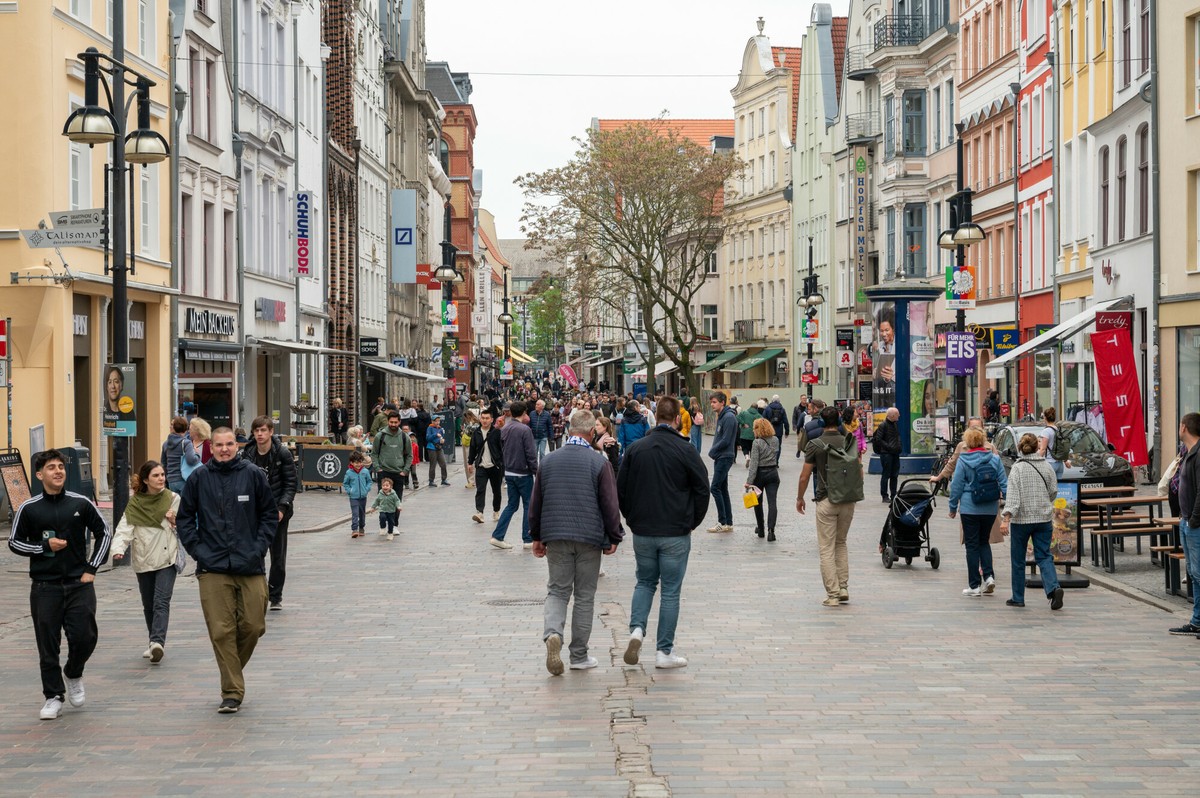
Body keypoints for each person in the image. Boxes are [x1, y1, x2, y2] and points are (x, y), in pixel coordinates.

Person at [177, 427, 278, 714]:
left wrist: (258, 547)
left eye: (229, 444)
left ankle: (231, 669)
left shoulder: (253, 474)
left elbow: (269, 515)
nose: (224, 449)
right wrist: (199, 551)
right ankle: (231, 691)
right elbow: (185, 519)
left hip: (250, 563)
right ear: (211, 446)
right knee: (222, 631)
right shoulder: (199, 478)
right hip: (213, 566)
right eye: (219, 445)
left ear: (237, 445)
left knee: (254, 625)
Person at [8, 449, 111, 720]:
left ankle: (73, 672)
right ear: (40, 475)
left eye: (61, 467)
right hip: (45, 586)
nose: (58, 471)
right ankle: (53, 696)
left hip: (79, 583)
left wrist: (91, 568)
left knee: (85, 636)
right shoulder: (29, 508)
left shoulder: (80, 503)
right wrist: (44, 546)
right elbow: (14, 543)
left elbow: (104, 532)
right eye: (51, 468)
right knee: (47, 644)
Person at [617, 397, 710, 669]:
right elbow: (703, 488)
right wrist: (692, 521)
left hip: (643, 529)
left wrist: (631, 517)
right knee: (670, 591)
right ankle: (664, 652)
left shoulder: (636, 449)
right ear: (678, 419)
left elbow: (621, 488)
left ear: (655, 416)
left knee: (644, 582)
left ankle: (636, 629)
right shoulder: (685, 449)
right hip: (675, 530)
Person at [531, 409, 624, 674]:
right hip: (589, 537)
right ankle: (579, 656)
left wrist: (536, 536)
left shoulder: (548, 461)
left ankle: (552, 634)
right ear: (591, 432)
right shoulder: (598, 462)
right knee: (584, 596)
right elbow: (609, 502)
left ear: (570, 430)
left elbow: (536, 502)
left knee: (558, 591)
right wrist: (614, 535)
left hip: (556, 534)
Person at [112, 460, 181, 664]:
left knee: (161, 601)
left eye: (162, 475)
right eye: (156, 476)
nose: (161, 479)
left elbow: (187, 523)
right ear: (145, 480)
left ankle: (158, 642)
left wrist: (175, 520)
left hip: (167, 558)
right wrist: (118, 549)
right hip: (143, 558)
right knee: (148, 603)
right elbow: (125, 528)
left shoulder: (173, 498)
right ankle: (153, 642)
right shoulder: (135, 503)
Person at [796, 406, 864, 606]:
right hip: (847, 500)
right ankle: (843, 587)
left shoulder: (815, 445)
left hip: (826, 500)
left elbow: (804, 476)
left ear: (822, 423)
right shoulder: (848, 441)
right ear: (840, 421)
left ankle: (833, 594)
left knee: (826, 548)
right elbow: (859, 471)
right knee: (841, 543)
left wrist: (800, 498)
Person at [999, 433, 1062, 609]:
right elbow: (1053, 491)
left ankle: (1018, 597)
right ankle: (1053, 588)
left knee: (1018, 559)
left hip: (1022, 521)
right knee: (1044, 556)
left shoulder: (1017, 469)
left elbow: (1013, 498)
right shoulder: (1047, 466)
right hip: (1043, 519)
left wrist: (1006, 519)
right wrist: (1043, 502)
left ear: (1020, 448)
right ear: (1037, 447)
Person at [241, 416, 297, 612]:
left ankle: (275, 595)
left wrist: (282, 508)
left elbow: (291, 484)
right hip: (253, 512)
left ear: (271, 432)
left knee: (278, 556)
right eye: (256, 431)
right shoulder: (247, 454)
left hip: (276, 512)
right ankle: (257, 593)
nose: (260, 434)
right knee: (255, 553)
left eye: (263, 430)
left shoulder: (282, 453)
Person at [948, 426, 1008, 598]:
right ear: (983, 441)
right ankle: (989, 577)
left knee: (972, 545)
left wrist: (952, 508)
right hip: (990, 507)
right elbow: (1004, 483)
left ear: (968, 442)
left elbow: (956, 486)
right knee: (984, 542)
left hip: (969, 507)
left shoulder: (963, 460)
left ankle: (974, 585)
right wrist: (1008, 508)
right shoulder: (994, 459)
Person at [490, 400, 538, 550]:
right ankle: (527, 538)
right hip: (523, 472)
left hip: (509, 471)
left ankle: (498, 535)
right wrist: (537, 471)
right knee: (528, 505)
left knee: (511, 505)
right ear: (524, 413)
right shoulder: (525, 430)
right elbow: (531, 453)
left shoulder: (505, 428)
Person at [1169, 413, 1200, 636]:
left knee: (1198, 573)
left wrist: (1194, 520)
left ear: (1184, 428)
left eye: (1180, 425)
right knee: (1193, 572)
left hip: (1194, 524)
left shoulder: (1198, 454)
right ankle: (1197, 620)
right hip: (1186, 520)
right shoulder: (1188, 453)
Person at [745, 417, 781, 541]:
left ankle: (761, 529)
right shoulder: (775, 440)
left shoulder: (757, 443)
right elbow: (775, 454)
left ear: (758, 429)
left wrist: (749, 481)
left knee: (758, 503)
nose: (753, 430)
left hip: (760, 474)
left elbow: (754, 464)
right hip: (773, 473)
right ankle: (771, 531)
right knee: (772, 502)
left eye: (754, 428)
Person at [930, 417, 995, 486]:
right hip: (967, 488)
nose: (975, 431)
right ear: (967, 429)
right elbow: (951, 464)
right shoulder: (961, 446)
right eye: (972, 428)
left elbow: (999, 471)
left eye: (978, 428)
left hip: (986, 488)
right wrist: (938, 478)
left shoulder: (990, 447)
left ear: (983, 428)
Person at [706, 392, 738, 533]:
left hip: (725, 456)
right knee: (722, 488)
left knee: (715, 488)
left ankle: (722, 521)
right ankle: (727, 522)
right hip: (721, 456)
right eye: (711, 402)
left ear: (722, 402)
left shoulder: (729, 417)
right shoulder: (723, 416)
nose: (712, 404)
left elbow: (726, 439)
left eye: (714, 402)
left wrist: (713, 450)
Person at [469, 408, 504, 524]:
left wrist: (502, 464)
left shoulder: (496, 432)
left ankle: (496, 510)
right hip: (481, 466)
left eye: (487, 418)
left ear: (492, 419)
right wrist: (470, 463)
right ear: (480, 419)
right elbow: (472, 449)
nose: (484, 420)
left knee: (496, 491)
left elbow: (502, 449)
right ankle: (480, 512)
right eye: (483, 418)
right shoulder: (476, 433)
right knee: (480, 490)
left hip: (495, 466)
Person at [373, 412, 413, 503]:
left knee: (397, 502)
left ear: (399, 422)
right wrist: (377, 468)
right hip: (384, 472)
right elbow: (374, 453)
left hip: (399, 473)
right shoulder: (380, 436)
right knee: (383, 503)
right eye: (391, 422)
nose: (393, 424)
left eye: (395, 422)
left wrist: (405, 470)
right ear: (388, 421)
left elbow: (409, 455)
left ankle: (394, 518)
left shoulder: (404, 437)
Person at [161, 416, 198, 493]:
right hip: (183, 479)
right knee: (185, 504)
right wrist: (197, 454)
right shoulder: (186, 443)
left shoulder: (165, 444)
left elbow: (164, 464)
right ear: (185, 428)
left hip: (171, 481)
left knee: (175, 504)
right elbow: (191, 460)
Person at [872, 407, 902, 503]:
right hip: (886, 454)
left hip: (895, 453)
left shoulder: (895, 424)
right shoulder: (883, 425)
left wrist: (898, 446)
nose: (899, 415)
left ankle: (894, 495)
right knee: (886, 474)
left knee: (895, 475)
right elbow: (878, 439)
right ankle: (884, 496)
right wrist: (889, 447)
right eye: (897, 414)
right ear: (892, 416)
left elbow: (897, 437)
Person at [343, 450, 373, 538]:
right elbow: (346, 483)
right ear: (351, 463)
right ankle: (354, 529)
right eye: (356, 463)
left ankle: (362, 527)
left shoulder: (365, 471)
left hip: (363, 496)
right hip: (353, 497)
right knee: (355, 513)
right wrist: (350, 491)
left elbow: (369, 481)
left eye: (360, 462)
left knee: (362, 513)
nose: (358, 464)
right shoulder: (349, 473)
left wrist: (366, 489)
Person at [1037, 407, 1066, 478]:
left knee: (1049, 487)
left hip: (1050, 463)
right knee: (1058, 487)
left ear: (1045, 418)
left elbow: (1043, 449)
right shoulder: (1057, 429)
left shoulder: (1046, 431)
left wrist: (1036, 460)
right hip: (1059, 463)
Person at [425, 415, 449, 487]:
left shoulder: (440, 429)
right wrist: (435, 435)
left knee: (443, 463)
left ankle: (444, 479)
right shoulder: (429, 428)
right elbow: (428, 438)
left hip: (439, 447)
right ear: (432, 421)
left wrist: (442, 441)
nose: (437, 422)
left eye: (438, 421)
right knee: (433, 464)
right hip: (432, 447)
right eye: (436, 421)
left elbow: (442, 437)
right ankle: (431, 480)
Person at [736, 400, 763, 464]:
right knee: (752, 449)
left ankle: (747, 457)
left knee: (745, 448)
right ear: (757, 408)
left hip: (744, 434)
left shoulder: (744, 413)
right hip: (754, 435)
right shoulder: (759, 416)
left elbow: (737, 417)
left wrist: (743, 423)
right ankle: (753, 462)